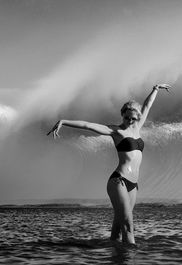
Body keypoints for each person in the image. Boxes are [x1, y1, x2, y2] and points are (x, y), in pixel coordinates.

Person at [47, 84, 171, 244]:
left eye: (133, 118)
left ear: (138, 118)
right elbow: (88, 125)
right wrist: (63, 121)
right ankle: (131, 264)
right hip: (118, 181)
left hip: (133, 184)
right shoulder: (116, 131)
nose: (130, 121)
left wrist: (155, 89)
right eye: (127, 118)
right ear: (122, 115)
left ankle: (115, 260)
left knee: (119, 227)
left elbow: (147, 105)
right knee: (129, 226)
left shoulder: (138, 127)